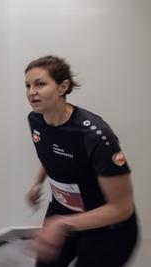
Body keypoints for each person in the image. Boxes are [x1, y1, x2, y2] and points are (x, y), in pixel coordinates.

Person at [25, 55, 138, 267]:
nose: (31, 92)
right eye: (28, 85)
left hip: (107, 227)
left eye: (40, 84)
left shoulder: (95, 136)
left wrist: (63, 224)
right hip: (65, 214)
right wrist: (36, 184)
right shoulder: (36, 119)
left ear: (62, 87)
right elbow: (49, 153)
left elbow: (122, 207)